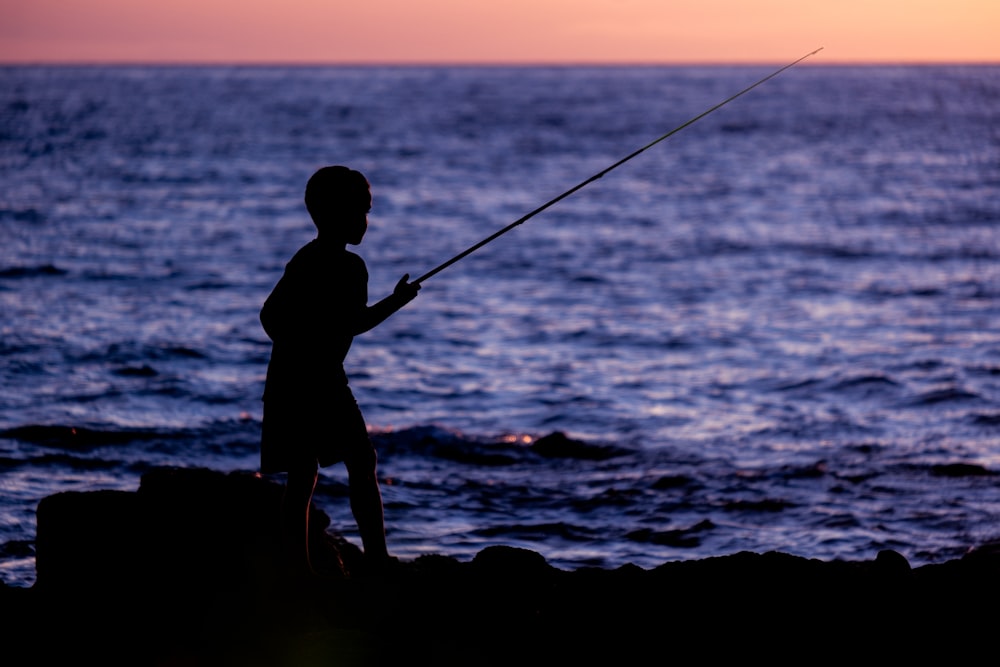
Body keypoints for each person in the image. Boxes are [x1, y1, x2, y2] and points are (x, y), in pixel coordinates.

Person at [259, 165, 420, 578]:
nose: (365, 221)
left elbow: (273, 317)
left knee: (304, 473)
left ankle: (300, 570)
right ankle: (377, 561)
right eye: (360, 212)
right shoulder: (349, 267)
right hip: (319, 381)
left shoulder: (306, 259)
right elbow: (352, 323)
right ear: (336, 214)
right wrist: (396, 303)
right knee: (358, 461)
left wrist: (301, 342)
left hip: (293, 379)